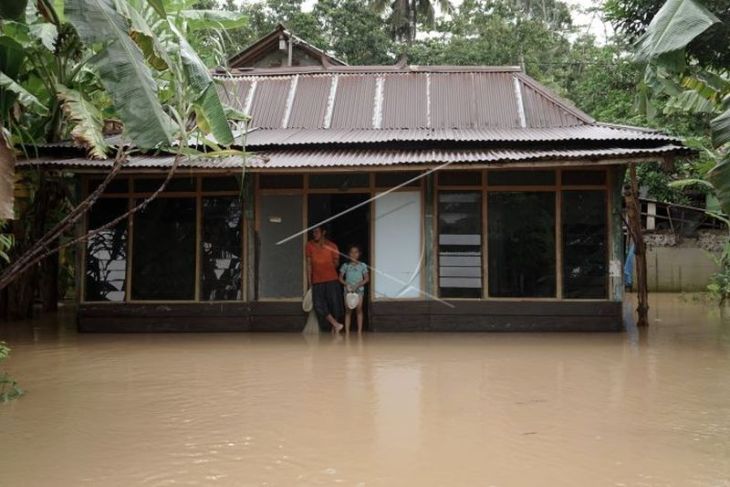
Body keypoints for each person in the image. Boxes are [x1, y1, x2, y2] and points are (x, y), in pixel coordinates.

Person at [305, 225, 344, 334]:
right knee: (318, 305)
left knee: (334, 304)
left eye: (317, 232)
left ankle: (334, 327)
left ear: (323, 232)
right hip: (317, 280)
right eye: (313, 232)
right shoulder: (309, 245)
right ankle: (335, 324)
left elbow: (337, 263)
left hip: (331, 279)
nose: (315, 234)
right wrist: (309, 282)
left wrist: (328, 263)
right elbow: (309, 265)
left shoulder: (332, 246)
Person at [339, 245, 369, 335]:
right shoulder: (345, 266)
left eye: (356, 252)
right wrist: (346, 284)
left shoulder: (362, 265)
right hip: (348, 290)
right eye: (351, 252)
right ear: (349, 254)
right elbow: (340, 278)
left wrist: (358, 285)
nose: (353, 254)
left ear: (359, 254)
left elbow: (367, 278)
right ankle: (347, 332)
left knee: (359, 309)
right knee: (348, 310)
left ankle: (359, 331)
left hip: (359, 290)